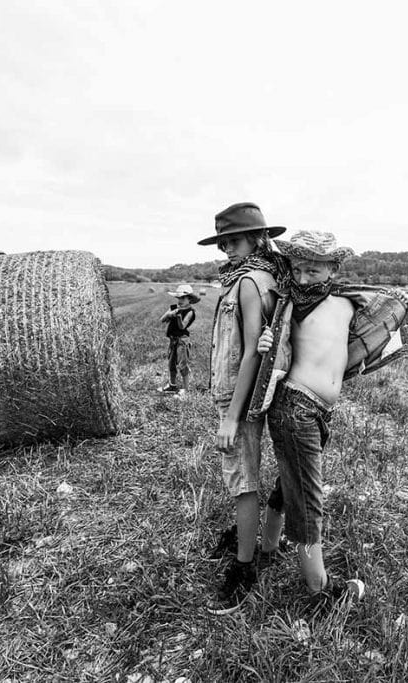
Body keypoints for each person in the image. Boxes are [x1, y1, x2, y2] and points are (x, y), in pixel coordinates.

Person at [255, 229, 370, 612]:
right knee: (307, 497)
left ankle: (267, 549)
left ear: (334, 267)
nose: (303, 278)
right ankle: (320, 593)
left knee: (289, 483)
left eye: (314, 270)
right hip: (295, 405)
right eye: (298, 268)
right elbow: (268, 340)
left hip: (317, 409)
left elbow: (381, 318)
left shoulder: (347, 301)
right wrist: (265, 343)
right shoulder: (287, 304)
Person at [198, 202, 286, 614]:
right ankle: (253, 541)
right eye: (223, 243)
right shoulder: (267, 276)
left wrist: (232, 415)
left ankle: (244, 570)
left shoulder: (249, 282)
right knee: (247, 477)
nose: (226, 249)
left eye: (233, 240)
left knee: (242, 482)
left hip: (240, 395)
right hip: (254, 393)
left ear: (256, 238)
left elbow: (252, 350)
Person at [158, 284, 200, 395]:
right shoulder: (173, 308)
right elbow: (162, 319)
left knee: (182, 365)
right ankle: (172, 386)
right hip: (173, 340)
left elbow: (182, 326)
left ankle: (186, 390)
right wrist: (169, 314)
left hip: (182, 340)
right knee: (171, 364)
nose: (180, 300)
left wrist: (178, 317)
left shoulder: (190, 312)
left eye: (183, 298)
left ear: (189, 299)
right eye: (178, 298)